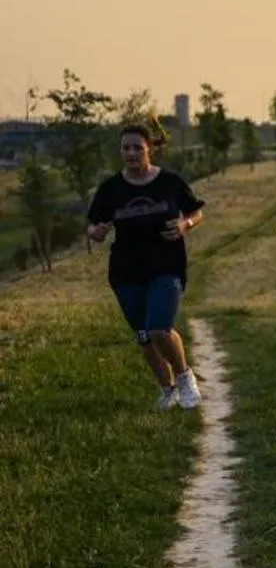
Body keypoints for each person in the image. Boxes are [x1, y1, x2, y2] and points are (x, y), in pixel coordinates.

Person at [84, 125, 205, 410]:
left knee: (159, 328)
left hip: (166, 264)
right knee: (143, 336)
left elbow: (195, 211)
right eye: (125, 147)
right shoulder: (111, 189)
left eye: (137, 147)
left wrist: (184, 224)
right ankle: (168, 389)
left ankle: (185, 377)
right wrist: (96, 233)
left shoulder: (169, 182)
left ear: (150, 149)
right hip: (126, 270)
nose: (131, 153)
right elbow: (92, 225)